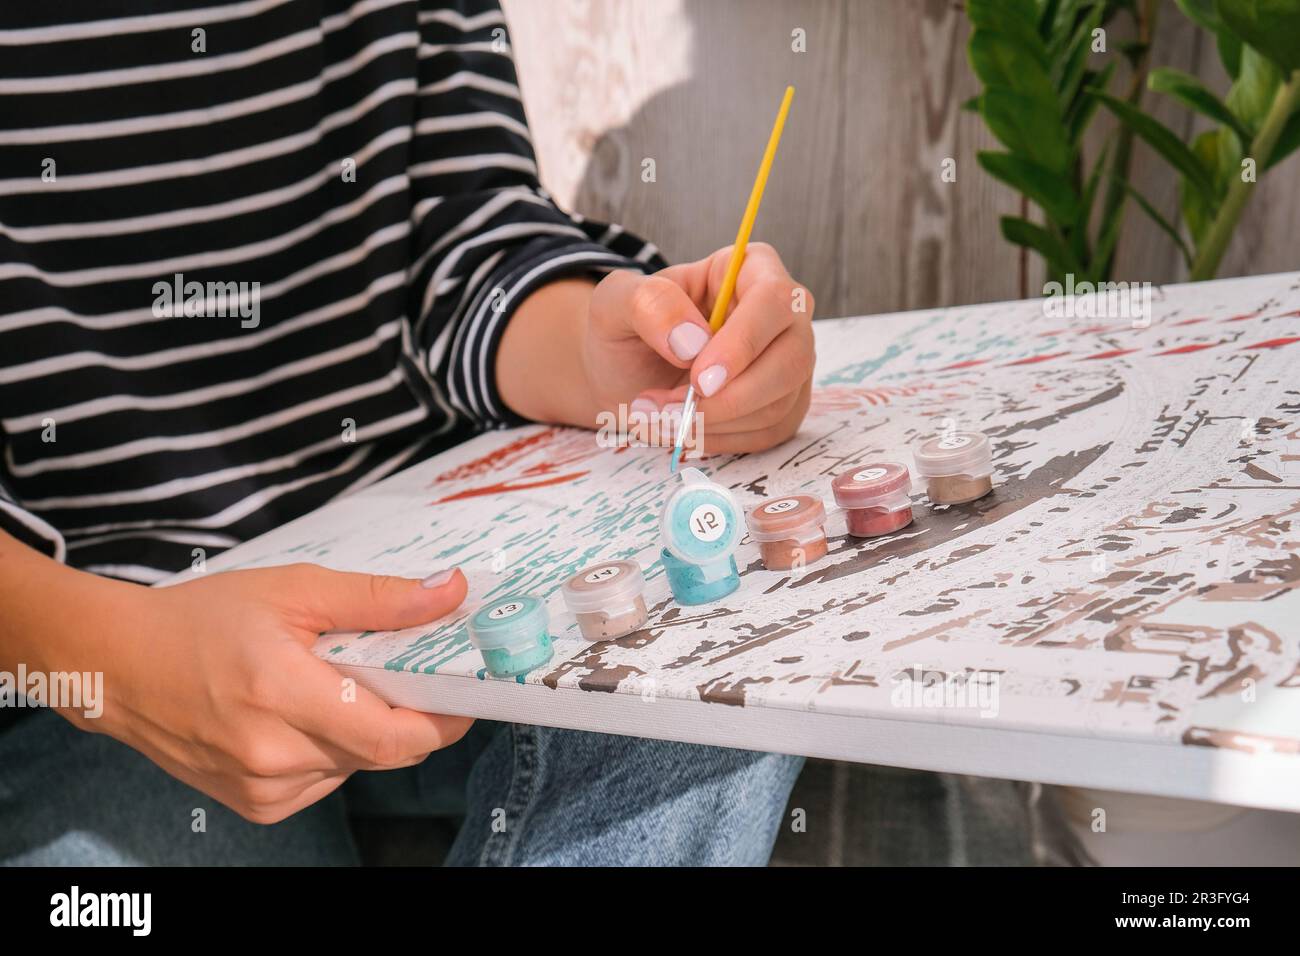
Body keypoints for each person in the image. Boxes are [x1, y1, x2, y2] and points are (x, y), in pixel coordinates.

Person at [0, 0, 815, 865]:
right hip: (80, 647)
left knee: (727, 672)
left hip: (437, 574)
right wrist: (113, 657)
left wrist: (597, 354)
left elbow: (463, 228)